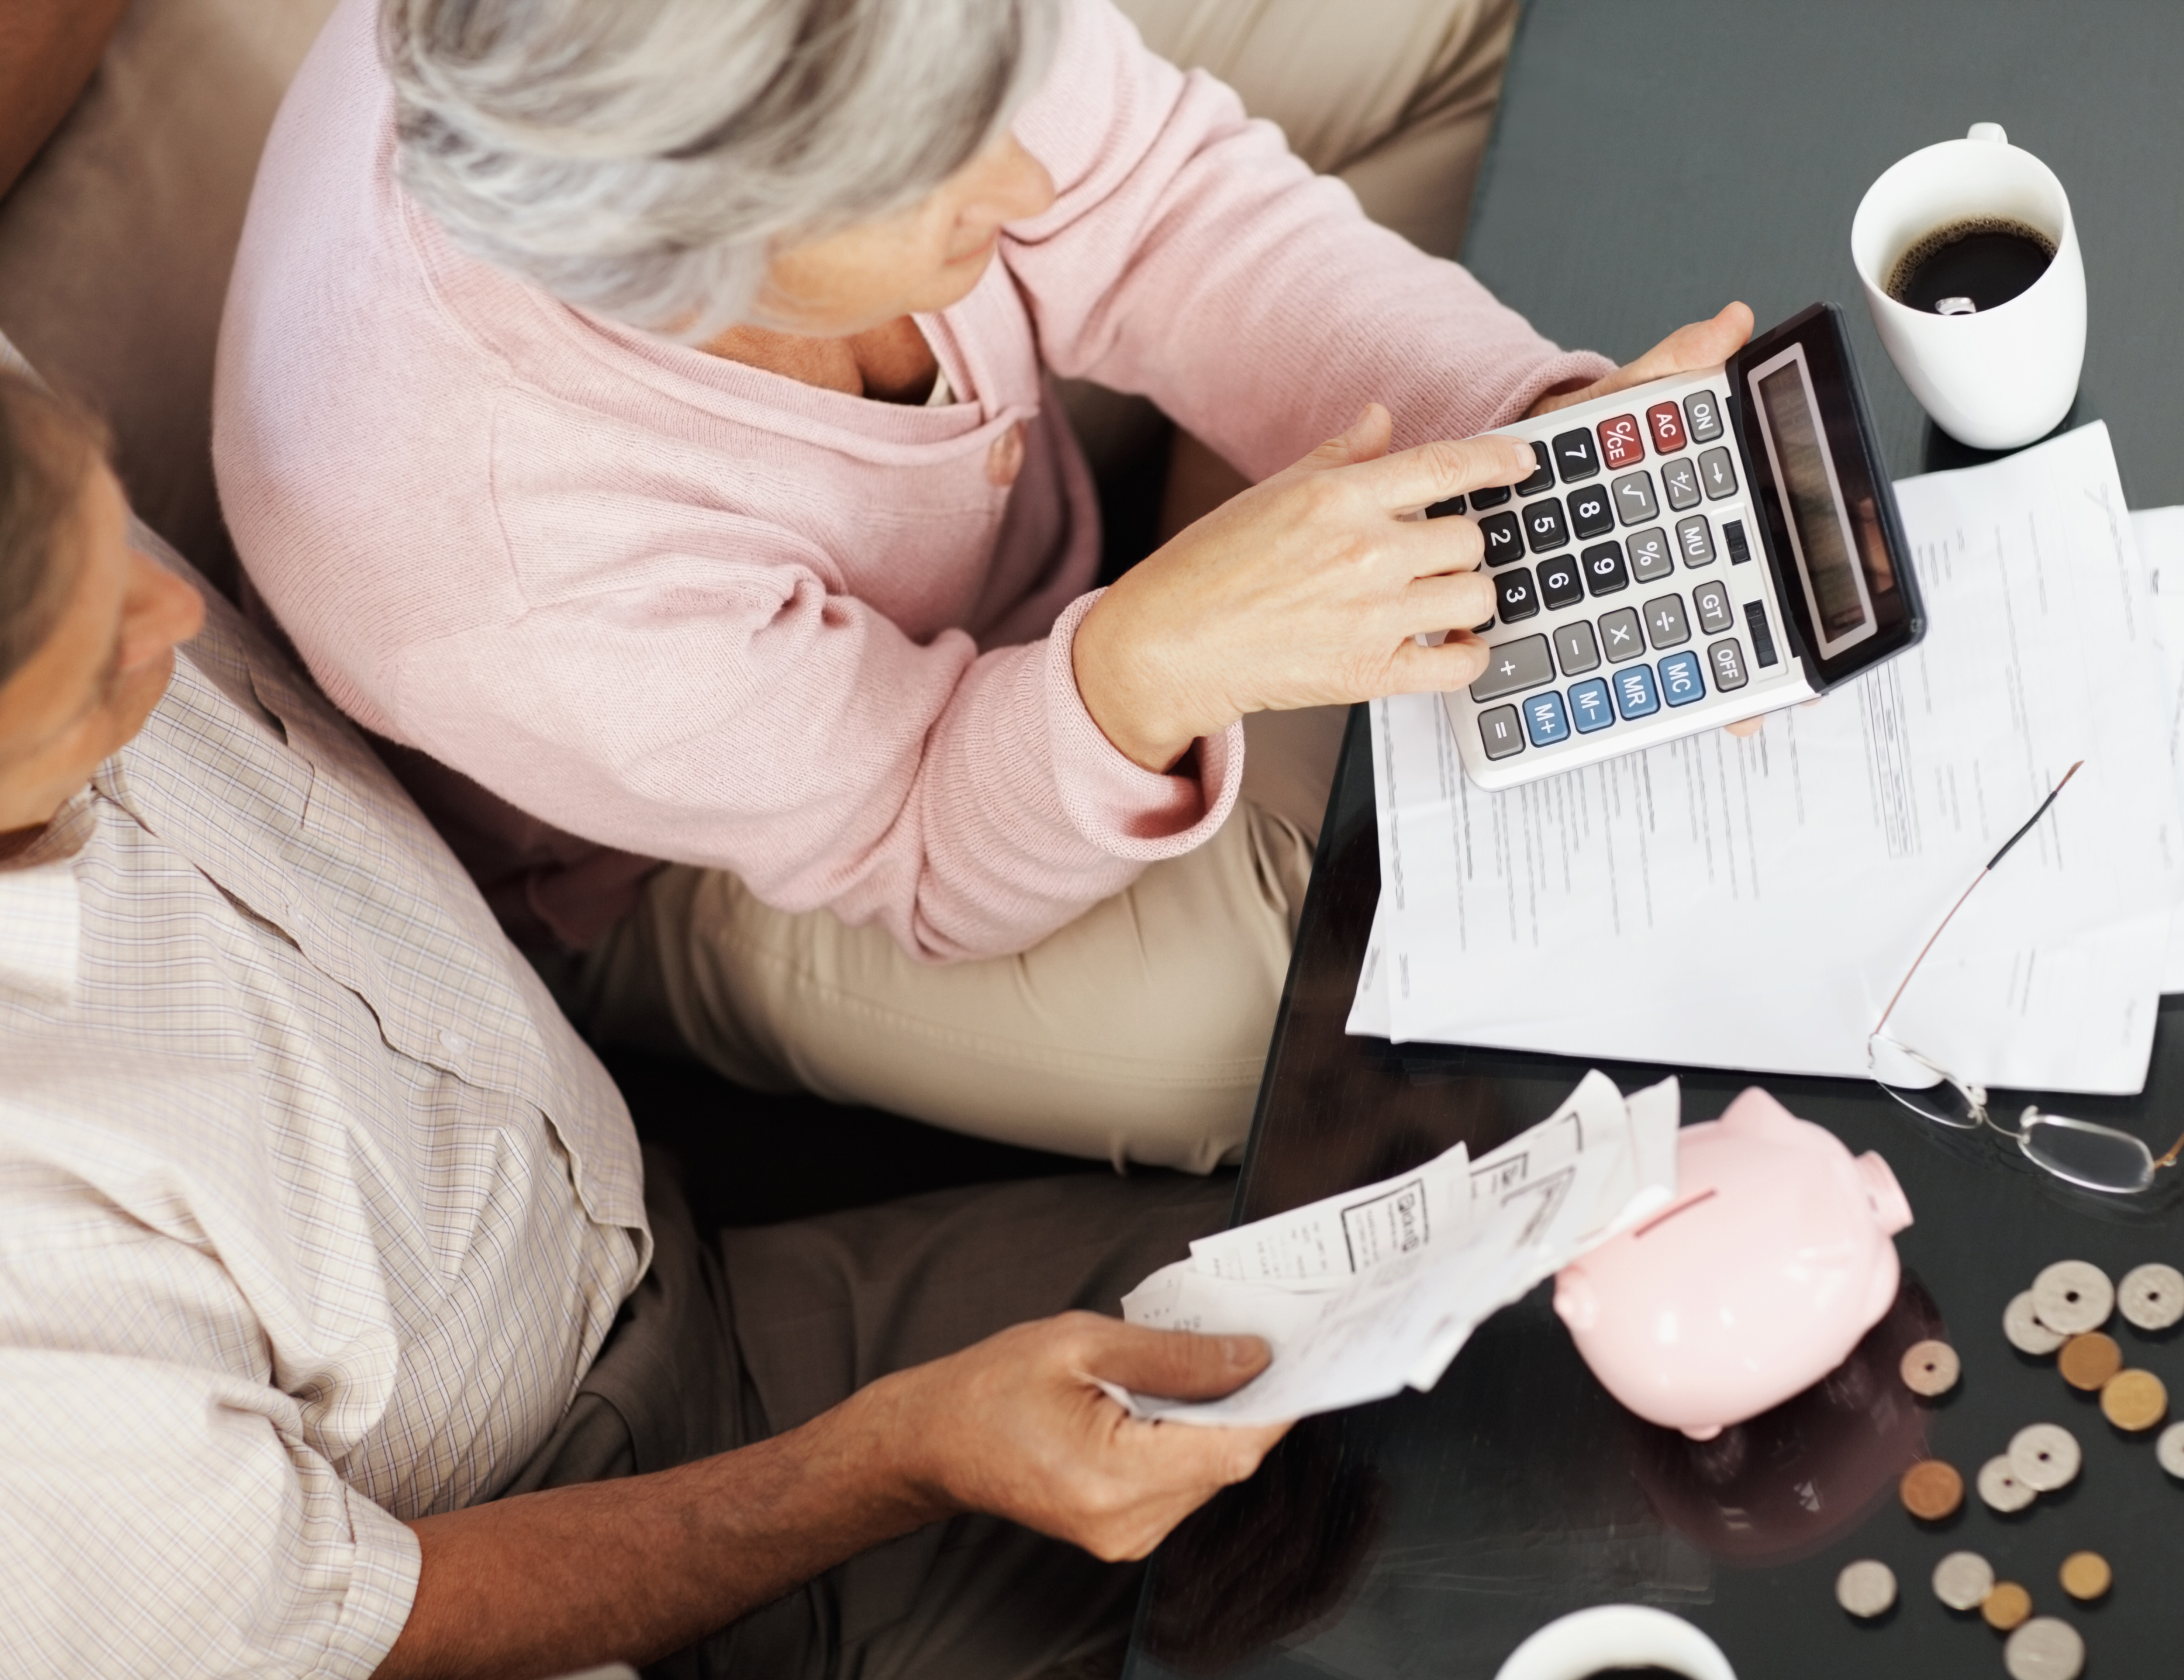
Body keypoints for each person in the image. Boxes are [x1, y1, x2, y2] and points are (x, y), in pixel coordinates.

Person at [216, 0, 1751, 1172]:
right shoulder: (493, 559)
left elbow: (1159, 200)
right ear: (697, 257)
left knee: (1458, 36)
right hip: (743, 825)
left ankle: (1238, 500)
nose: (1022, 168)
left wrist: (1521, 425)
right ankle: (1220, 533)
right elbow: (920, 831)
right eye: (945, 167)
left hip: (981, 505)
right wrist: (1150, 665)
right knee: (1257, 1036)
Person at [0, 356, 1287, 1680]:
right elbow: (360, 1632)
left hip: (671, 1264)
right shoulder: (32, 1302)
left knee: (1375, 1335)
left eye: (116, 523)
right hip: (555, 1611)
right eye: (96, 672)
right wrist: (901, 1460)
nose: (180, 608)